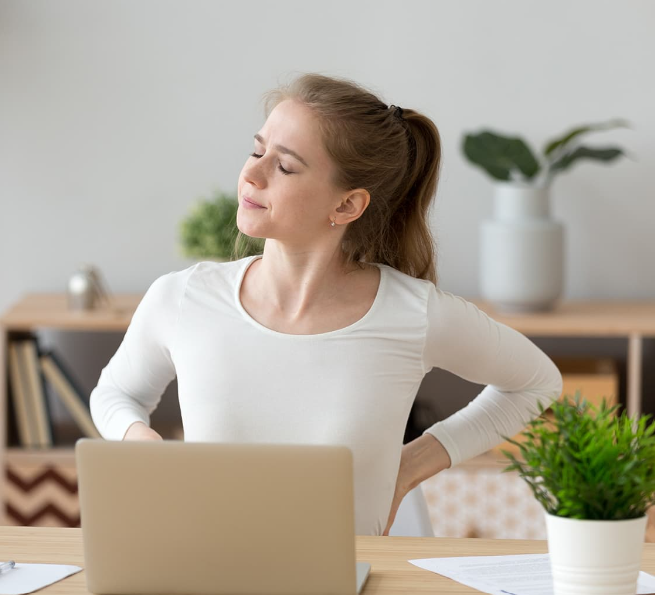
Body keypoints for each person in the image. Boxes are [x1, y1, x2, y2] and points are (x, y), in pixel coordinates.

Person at [89, 72, 563, 537]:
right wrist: (139, 441)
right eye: (257, 150)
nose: (251, 173)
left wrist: (411, 466)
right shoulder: (183, 298)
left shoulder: (411, 314)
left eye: (285, 166)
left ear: (346, 206)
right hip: (212, 570)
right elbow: (115, 394)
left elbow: (536, 384)